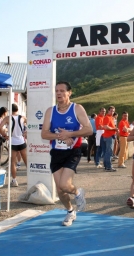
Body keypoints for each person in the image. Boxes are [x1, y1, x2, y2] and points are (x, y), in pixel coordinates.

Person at [41, 81, 92, 226]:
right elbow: (44, 134)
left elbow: (88, 130)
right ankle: (70, 211)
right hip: (56, 152)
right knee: (60, 190)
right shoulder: (50, 111)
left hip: (73, 151)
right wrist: (60, 136)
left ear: (69, 93)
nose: (59, 93)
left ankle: (77, 193)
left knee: (64, 184)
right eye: (56, 91)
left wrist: (71, 133)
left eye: (62, 91)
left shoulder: (77, 109)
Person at [0, 104, 27, 186]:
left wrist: (4, 135)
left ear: (11, 110)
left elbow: (0, 127)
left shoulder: (7, 118)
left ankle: (14, 180)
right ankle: (31, 178)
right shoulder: (23, 117)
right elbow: (30, 124)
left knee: (13, 162)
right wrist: (26, 132)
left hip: (13, 141)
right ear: (17, 109)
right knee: (26, 161)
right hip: (21, 141)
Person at [102, 106, 119, 171]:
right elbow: (105, 127)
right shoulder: (107, 117)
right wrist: (114, 128)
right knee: (109, 152)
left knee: (107, 151)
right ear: (108, 111)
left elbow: (110, 126)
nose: (112, 112)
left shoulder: (111, 118)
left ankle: (106, 166)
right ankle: (108, 166)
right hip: (108, 136)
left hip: (110, 135)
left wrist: (115, 129)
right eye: (111, 111)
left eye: (113, 111)